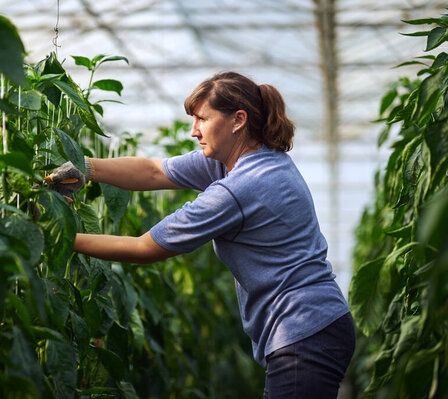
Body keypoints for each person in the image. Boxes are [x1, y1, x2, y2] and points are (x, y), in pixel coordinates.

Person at [48, 72, 355, 398]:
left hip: (304, 329)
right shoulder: (240, 160)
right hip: (312, 325)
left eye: (202, 119)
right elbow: (154, 171)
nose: (194, 131)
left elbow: (145, 248)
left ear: (238, 120)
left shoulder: (240, 187)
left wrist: (60, 236)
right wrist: (84, 167)